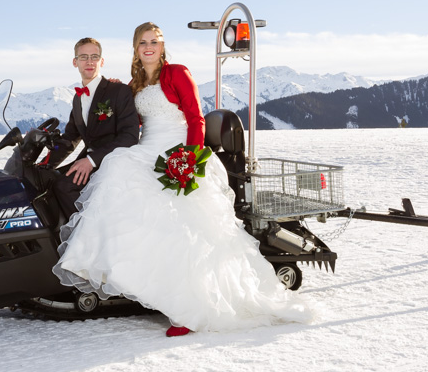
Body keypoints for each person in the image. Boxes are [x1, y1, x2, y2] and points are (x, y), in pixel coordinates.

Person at [53, 23, 311, 337]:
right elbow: (131, 123)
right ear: (135, 48)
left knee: (182, 229)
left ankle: (190, 309)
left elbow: (195, 117)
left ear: (162, 46)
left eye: (155, 42)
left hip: (177, 150)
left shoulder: (176, 73)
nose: (149, 47)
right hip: (145, 150)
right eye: (142, 43)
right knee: (130, 197)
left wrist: (188, 158)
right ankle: (132, 279)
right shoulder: (134, 83)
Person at [50, 37, 140, 219]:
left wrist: (91, 161)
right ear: (75, 62)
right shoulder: (77, 99)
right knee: (48, 180)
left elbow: (129, 136)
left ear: (102, 61)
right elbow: (69, 139)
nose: (89, 62)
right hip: (90, 159)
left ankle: (85, 237)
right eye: (83, 57)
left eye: (94, 56)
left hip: (113, 161)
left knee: (64, 186)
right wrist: (45, 163)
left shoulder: (119, 91)